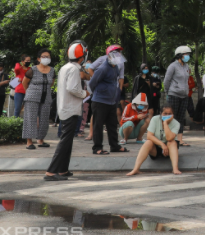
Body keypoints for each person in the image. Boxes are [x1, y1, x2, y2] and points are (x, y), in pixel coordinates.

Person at [45, 43, 91, 181]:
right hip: (70, 109)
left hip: (66, 107)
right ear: (81, 57)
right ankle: (51, 172)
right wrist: (85, 93)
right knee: (65, 140)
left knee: (68, 140)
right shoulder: (74, 70)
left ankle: (63, 169)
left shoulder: (65, 67)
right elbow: (73, 88)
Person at [87, 45, 129, 155]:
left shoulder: (115, 67)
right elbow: (92, 83)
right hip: (100, 101)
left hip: (111, 100)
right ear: (109, 56)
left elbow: (117, 79)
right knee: (98, 125)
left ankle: (114, 146)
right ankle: (97, 148)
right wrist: (100, 91)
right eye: (115, 54)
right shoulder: (103, 68)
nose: (118, 56)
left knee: (112, 125)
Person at [126, 104, 183, 176]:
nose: (167, 115)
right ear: (161, 114)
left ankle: (175, 168)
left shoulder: (176, 123)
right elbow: (149, 136)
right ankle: (136, 169)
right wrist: (162, 144)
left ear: (173, 115)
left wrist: (165, 123)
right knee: (148, 142)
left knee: (171, 142)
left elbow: (169, 138)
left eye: (170, 114)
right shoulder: (155, 119)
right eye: (165, 113)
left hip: (169, 149)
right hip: (156, 149)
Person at [22, 50, 55, 149]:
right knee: (30, 118)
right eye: (44, 56)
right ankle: (29, 142)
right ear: (38, 58)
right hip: (32, 97)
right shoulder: (33, 69)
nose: (46, 58)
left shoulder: (52, 70)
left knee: (44, 119)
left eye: (48, 56)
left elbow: (51, 83)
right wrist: (29, 92)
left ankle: (40, 140)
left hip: (46, 97)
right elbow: (25, 82)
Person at [164, 46, 192, 147]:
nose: (187, 56)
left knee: (181, 118)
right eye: (186, 54)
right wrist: (168, 91)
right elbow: (166, 80)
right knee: (172, 117)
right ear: (179, 55)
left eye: (188, 55)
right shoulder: (173, 66)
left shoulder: (186, 66)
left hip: (184, 95)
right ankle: (170, 138)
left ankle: (179, 140)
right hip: (173, 94)